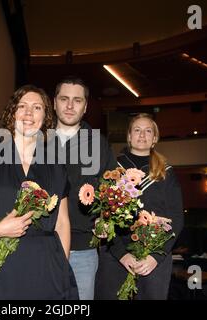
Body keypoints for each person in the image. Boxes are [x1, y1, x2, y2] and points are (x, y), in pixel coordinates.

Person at [0, 85, 78, 299]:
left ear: (45, 116)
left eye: (37, 107)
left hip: (45, 266)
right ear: (12, 113)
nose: (28, 113)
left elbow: (62, 223)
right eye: (22, 106)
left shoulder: (55, 166)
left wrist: (63, 265)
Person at [95, 113, 184, 300]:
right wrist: (121, 255)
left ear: (155, 138)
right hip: (115, 256)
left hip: (153, 256)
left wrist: (155, 257)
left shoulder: (166, 172)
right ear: (128, 136)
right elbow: (104, 217)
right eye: (137, 130)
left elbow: (177, 219)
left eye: (148, 130)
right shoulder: (113, 169)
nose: (142, 135)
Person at [53, 76, 117, 299]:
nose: (70, 106)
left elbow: (113, 193)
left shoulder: (99, 145)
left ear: (85, 106)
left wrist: (106, 218)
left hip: (83, 251)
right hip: (40, 246)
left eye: (77, 100)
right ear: (54, 103)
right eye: (64, 99)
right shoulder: (37, 140)